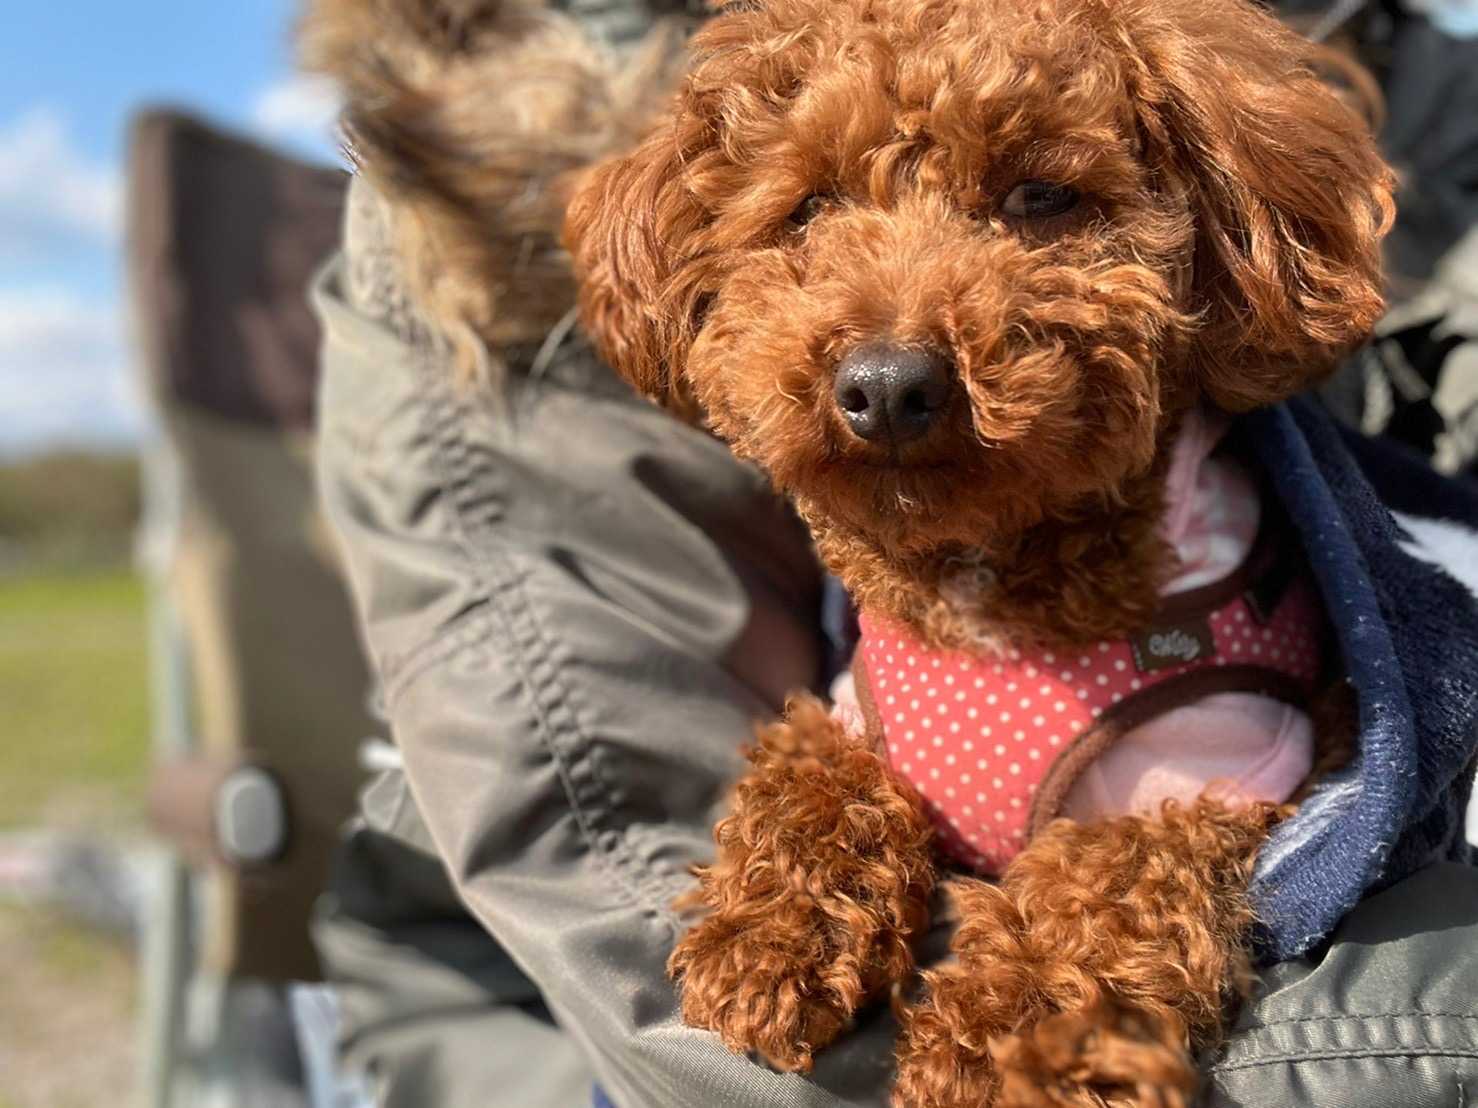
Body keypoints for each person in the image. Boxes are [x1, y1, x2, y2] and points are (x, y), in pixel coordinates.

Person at [308, 4, 1478, 1106]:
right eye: (807, 213)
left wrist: (1093, 958)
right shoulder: (527, 120)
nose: (891, 359)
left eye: (1037, 198)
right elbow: (617, 861)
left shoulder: (1226, 603)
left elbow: (1247, 823)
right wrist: (821, 816)